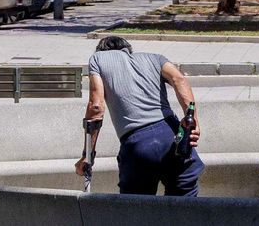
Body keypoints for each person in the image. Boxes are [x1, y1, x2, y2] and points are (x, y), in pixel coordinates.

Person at [76, 36, 202, 196]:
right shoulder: (156, 58)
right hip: (173, 137)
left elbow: (96, 106)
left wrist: (88, 156)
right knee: (185, 210)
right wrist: (193, 119)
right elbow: (179, 79)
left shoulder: (98, 59)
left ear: (102, 51)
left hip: (138, 146)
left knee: (136, 211)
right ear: (128, 49)